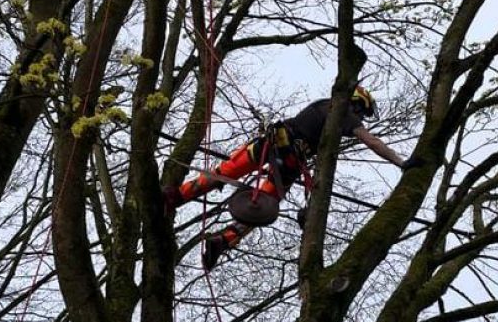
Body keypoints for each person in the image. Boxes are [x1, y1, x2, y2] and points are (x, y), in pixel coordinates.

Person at [165, 85, 406, 269]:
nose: (360, 121)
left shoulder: (323, 107)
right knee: (262, 205)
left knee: (230, 177)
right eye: (361, 114)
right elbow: (372, 141)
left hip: (275, 145)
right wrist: (401, 162)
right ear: (356, 104)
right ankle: (222, 237)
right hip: (288, 159)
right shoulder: (342, 112)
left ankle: (178, 198)